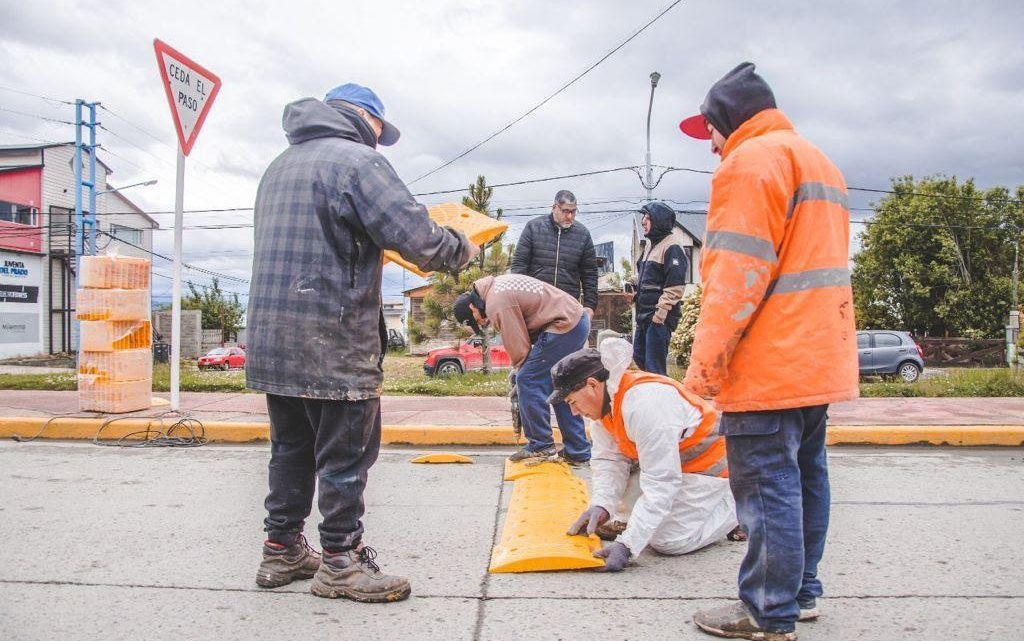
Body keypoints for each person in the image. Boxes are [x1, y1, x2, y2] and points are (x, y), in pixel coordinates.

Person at [246, 83, 478, 603]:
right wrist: (465, 247)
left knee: (291, 448)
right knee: (346, 455)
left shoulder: (278, 167)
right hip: (332, 338)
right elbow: (419, 240)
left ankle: (280, 549)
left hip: (273, 340)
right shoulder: (357, 163)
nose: (380, 141)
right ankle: (340, 562)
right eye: (380, 130)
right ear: (367, 120)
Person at [677, 63, 858, 640]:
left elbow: (734, 277)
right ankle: (801, 593)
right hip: (816, 355)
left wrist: (703, 368)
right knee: (806, 479)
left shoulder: (748, 164)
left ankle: (767, 611)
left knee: (765, 488)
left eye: (709, 128)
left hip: (767, 361)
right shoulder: (816, 159)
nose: (709, 143)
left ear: (730, 119)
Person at [552, 337, 739, 572]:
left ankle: (737, 508)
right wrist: (602, 506)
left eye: (572, 402)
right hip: (676, 471)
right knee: (633, 510)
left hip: (712, 474)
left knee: (669, 541)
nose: (574, 412)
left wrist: (628, 546)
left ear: (592, 384)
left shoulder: (645, 404)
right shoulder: (607, 404)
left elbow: (661, 483)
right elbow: (609, 460)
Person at [452, 274, 591, 465]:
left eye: (475, 319)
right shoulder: (496, 288)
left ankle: (541, 445)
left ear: (472, 307)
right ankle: (578, 451)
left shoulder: (496, 302)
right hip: (574, 321)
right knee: (560, 385)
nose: (482, 323)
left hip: (564, 325)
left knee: (528, 379)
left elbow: (518, 345)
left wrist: (520, 371)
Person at [511, 189, 599, 318]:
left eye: (573, 211)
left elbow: (590, 273)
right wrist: (518, 298)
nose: (570, 216)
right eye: (565, 211)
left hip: (567, 307)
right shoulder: (533, 227)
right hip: (535, 305)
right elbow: (519, 266)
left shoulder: (583, 234)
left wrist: (590, 305)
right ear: (554, 207)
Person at [625, 201, 690, 374]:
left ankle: (661, 397)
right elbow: (649, 275)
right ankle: (652, 392)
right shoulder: (650, 246)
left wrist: (660, 315)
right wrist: (634, 281)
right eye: (643, 217)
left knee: (655, 367)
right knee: (639, 357)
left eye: (647, 217)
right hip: (644, 316)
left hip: (658, 317)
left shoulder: (672, 247)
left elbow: (675, 286)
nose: (643, 221)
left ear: (659, 221)